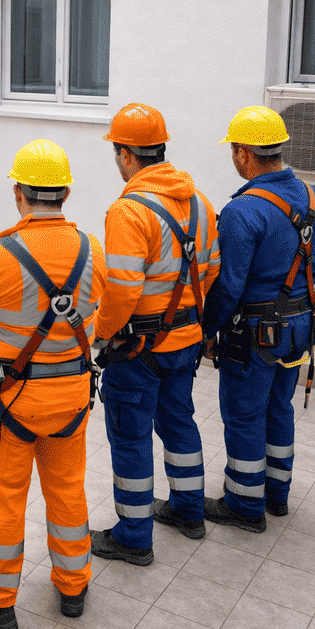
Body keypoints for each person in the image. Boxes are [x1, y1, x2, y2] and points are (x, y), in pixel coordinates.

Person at [0, 138, 107, 629]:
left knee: (3, 499)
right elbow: (100, 307)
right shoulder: (93, 250)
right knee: (67, 490)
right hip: (72, 400)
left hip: (10, 403)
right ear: (65, 193)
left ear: (19, 192)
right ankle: (74, 586)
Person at [90, 102, 220, 566]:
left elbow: (123, 290)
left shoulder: (129, 211)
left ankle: (133, 537)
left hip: (138, 350)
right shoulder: (200, 202)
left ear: (126, 155)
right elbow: (212, 271)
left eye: (116, 152)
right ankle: (189, 512)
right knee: (179, 422)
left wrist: (100, 335)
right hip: (185, 343)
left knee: (131, 438)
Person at [201, 106, 315, 532]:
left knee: (244, 416)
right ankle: (276, 494)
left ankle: (244, 504)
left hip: (254, 335)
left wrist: (207, 330)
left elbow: (228, 286)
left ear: (243, 153)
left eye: (233, 151)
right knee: (278, 408)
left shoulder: (242, 211)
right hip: (300, 330)